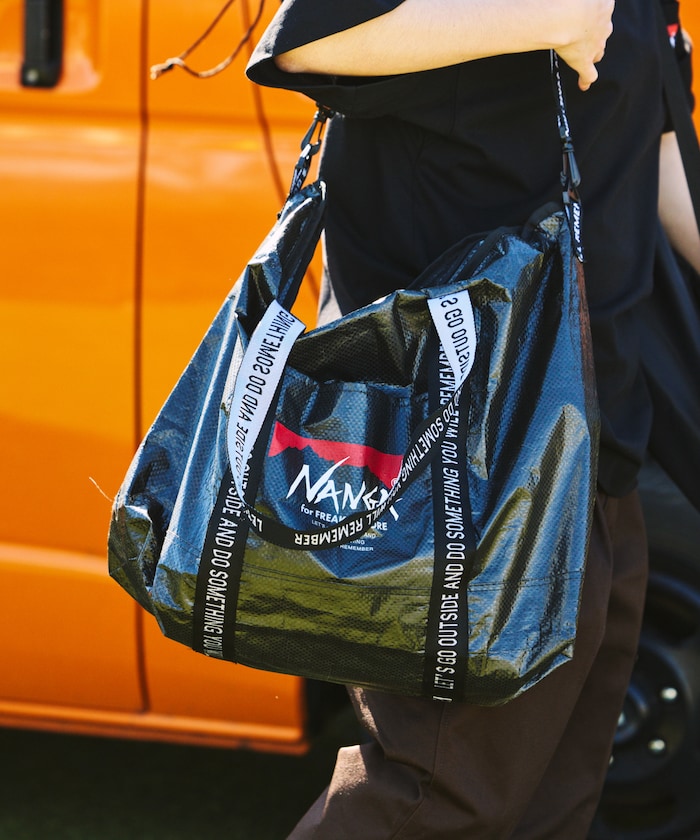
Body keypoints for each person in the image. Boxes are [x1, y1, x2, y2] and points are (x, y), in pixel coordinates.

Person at [246, 1, 698, 837]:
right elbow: (312, 39)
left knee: (553, 806)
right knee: (433, 800)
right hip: (464, 455)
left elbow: (658, 149)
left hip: (597, 446)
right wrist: (546, 19)